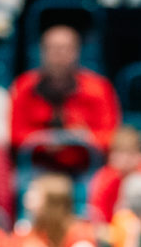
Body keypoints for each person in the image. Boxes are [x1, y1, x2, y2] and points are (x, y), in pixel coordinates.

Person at [9, 25, 121, 169]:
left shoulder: (99, 87)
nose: (59, 54)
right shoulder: (24, 86)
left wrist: (84, 137)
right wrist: (43, 141)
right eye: (53, 48)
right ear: (42, 51)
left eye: (66, 48)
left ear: (77, 51)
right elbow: (14, 133)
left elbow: (110, 135)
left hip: (85, 166)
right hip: (37, 166)